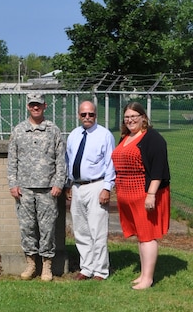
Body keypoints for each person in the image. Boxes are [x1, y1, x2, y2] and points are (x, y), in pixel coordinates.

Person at [111, 101, 170, 290]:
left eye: (134, 117)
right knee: (141, 236)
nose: (130, 120)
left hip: (144, 194)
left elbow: (158, 169)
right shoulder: (126, 137)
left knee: (147, 236)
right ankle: (143, 274)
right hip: (127, 193)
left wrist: (151, 194)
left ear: (143, 117)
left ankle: (148, 279)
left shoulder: (152, 138)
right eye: (127, 117)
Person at [7, 92, 66, 281]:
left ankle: (47, 265)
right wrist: (13, 184)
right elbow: (12, 160)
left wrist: (58, 183)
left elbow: (61, 160)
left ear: (44, 106)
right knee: (27, 228)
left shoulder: (53, 130)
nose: (35, 107)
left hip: (48, 189)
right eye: (32, 104)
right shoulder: (18, 130)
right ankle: (31, 263)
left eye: (38, 104)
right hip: (24, 190)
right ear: (27, 106)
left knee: (48, 228)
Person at [65, 101, 116, 280]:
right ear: (79, 115)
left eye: (91, 114)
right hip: (77, 187)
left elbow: (111, 164)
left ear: (96, 115)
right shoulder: (74, 135)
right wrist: (69, 184)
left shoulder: (104, 135)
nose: (87, 117)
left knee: (98, 230)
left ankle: (101, 270)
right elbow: (68, 161)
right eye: (83, 114)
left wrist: (107, 188)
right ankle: (86, 268)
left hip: (97, 186)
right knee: (81, 230)